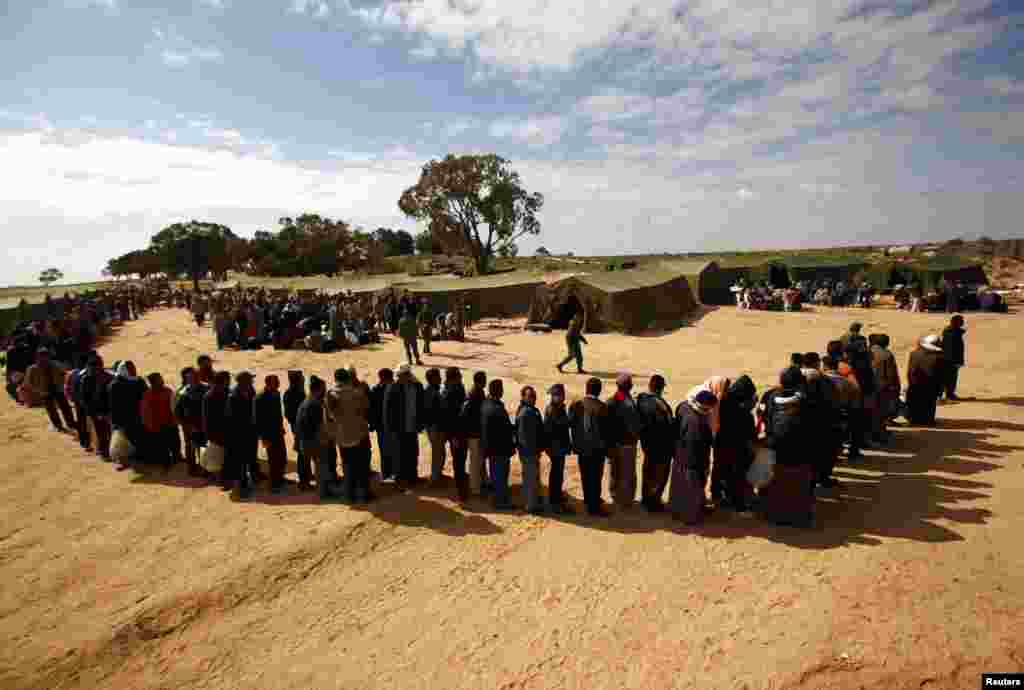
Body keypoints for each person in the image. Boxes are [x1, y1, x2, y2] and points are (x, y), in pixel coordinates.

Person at [759, 367, 814, 527]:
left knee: (778, 484)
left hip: (776, 451)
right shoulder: (806, 400)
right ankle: (798, 518)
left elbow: (764, 418)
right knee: (797, 486)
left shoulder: (771, 396)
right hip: (799, 453)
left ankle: (775, 515)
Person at [669, 389, 718, 525]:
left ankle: (678, 511)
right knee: (691, 489)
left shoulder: (684, 406)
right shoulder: (694, 422)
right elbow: (695, 446)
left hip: (680, 455)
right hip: (691, 460)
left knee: (680, 487)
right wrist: (702, 466)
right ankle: (689, 517)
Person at [327, 368, 374, 502]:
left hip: (342, 437)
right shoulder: (357, 393)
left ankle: (349, 495)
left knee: (347, 466)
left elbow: (329, 418)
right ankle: (364, 494)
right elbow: (366, 409)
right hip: (359, 435)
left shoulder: (330, 394)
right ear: (348, 378)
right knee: (362, 466)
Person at [715, 375, 757, 511]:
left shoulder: (723, 402)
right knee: (737, 476)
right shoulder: (743, 413)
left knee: (724, 473)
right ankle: (737, 502)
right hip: (737, 451)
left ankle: (722, 496)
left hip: (722, 447)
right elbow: (748, 434)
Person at [569, 377, 610, 517]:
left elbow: (572, 425)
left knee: (586, 475)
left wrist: (576, 443)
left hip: (582, 448)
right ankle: (594, 507)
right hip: (597, 449)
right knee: (595, 477)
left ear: (586, 389)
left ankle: (589, 500)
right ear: (599, 391)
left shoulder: (576, 405)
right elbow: (606, 432)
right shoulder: (602, 407)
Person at [296, 376, 343, 500]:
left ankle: (324, 490)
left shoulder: (309, 401)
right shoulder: (313, 404)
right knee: (321, 468)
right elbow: (318, 426)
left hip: (309, 442)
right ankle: (324, 492)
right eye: (323, 388)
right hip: (315, 442)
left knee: (321, 467)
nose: (325, 390)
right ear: (317, 389)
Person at [637, 374, 674, 513]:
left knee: (648, 473)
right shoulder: (661, 406)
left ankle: (646, 499)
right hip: (661, 448)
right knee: (659, 477)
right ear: (660, 388)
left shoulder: (641, 400)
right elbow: (667, 426)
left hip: (647, 446)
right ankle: (653, 503)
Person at [384, 364, 425, 488]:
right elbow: (387, 409)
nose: (399, 377)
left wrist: (420, 423)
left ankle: (412, 477)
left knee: (412, 453)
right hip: (398, 428)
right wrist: (389, 428)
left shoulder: (417, 386)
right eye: (398, 375)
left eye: (401, 375)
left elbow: (421, 406)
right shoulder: (393, 388)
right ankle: (400, 479)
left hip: (412, 427)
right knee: (399, 454)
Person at [606, 373, 642, 509]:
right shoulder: (629, 403)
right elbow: (635, 426)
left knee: (615, 471)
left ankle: (615, 496)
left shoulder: (611, 401)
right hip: (627, 444)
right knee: (628, 473)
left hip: (614, 443)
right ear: (630, 386)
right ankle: (626, 500)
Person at [481, 379, 515, 510]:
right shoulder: (495, 408)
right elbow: (504, 430)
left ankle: (498, 498)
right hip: (499, 448)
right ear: (497, 390)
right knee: (500, 476)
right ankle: (500, 501)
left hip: (492, 448)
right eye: (501, 388)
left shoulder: (487, 404)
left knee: (496, 475)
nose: (502, 390)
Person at [225, 372, 260, 499]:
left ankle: (252, 480)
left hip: (251, 433)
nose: (252, 382)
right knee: (240, 463)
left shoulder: (250, 391)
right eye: (250, 380)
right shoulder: (233, 396)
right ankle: (241, 488)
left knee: (250, 457)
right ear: (243, 381)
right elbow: (232, 419)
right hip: (239, 435)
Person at [109, 361, 148, 468]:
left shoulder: (139, 381)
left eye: (134, 367)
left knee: (141, 438)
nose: (134, 370)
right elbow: (114, 406)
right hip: (125, 419)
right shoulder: (115, 385)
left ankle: (143, 458)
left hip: (140, 416)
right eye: (131, 369)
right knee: (126, 441)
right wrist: (117, 422)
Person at [25, 347, 74, 432]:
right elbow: (29, 382)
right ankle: (58, 425)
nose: (44, 358)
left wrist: (62, 384)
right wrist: (38, 389)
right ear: (37, 357)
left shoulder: (56, 364)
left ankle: (70, 423)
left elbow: (65, 374)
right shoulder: (32, 369)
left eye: (46, 356)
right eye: (42, 356)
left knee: (65, 407)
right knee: (51, 410)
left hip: (57, 389)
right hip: (44, 391)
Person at [255, 374, 288, 494]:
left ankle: (280, 478)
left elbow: (278, 414)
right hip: (268, 434)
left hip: (278, 431)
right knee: (273, 459)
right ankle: (274, 483)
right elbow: (258, 419)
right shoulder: (260, 398)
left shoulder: (276, 394)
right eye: (276, 381)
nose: (279, 383)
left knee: (281, 457)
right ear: (269, 383)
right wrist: (263, 437)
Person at [543, 383, 573, 514]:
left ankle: (556, 497)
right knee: (556, 474)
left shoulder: (557, 407)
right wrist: (571, 417)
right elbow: (562, 424)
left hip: (558, 446)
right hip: (556, 447)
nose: (561, 397)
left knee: (557, 474)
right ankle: (555, 502)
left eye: (561, 395)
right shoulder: (553, 409)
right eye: (558, 395)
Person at [516, 385, 546, 514]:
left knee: (532, 478)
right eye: (530, 396)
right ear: (523, 397)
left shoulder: (529, 410)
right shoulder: (526, 412)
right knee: (530, 479)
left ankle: (533, 503)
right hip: (529, 452)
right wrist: (533, 451)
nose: (533, 398)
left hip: (531, 451)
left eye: (534, 396)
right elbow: (524, 436)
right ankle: (531, 506)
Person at [440, 367, 469, 502]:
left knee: (460, 461)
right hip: (456, 434)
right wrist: (453, 436)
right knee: (459, 462)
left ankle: (461, 486)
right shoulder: (450, 393)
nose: (461, 377)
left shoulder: (453, 389)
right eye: (459, 375)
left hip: (458, 433)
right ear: (454, 377)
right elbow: (450, 418)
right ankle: (461, 491)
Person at [175, 367, 209, 477]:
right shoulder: (183, 393)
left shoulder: (207, 388)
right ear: (187, 380)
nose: (194, 379)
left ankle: (204, 468)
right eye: (192, 378)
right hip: (190, 426)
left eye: (196, 377)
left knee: (203, 447)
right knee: (191, 447)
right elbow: (178, 412)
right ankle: (192, 468)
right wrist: (186, 425)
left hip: (204, 424)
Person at [141, 372, 179, 470]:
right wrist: (150, 425)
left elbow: (174, 406)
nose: (162, 380)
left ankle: (176, 457)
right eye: (159, 379)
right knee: (162, 445)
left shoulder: (168, 391)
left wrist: (175, 420)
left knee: (175, 442)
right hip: (158, 425)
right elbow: (146, 412)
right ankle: (165, 463)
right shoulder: (148, 395)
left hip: (170, 422)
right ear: (153, 382)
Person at [78, 353, 113, 460]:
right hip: (95, 411)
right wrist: (95, 413)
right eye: (93, 369)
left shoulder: (109, 377)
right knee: (100, 432)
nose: (96, 371)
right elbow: (84, 399)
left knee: (109, 431)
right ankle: (104, 453)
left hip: (108, 410)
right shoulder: (86, 380)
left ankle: (110, 451)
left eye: (98, 368)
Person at [906, 335, 946, 427]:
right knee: (929, 404)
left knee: (915, 403)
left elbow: (911, 371)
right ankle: (927, 421)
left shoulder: (914, 353)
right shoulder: (939, 357)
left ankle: (914, 420)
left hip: (915, 383)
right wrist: (940, 389)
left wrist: (911, 383)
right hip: (932, 385)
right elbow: (941, 375)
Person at [283, 370, 313, 490]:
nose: (303, 380)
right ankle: (303, 481)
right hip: (300, 428)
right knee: (303, 453)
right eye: (301, 379)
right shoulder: (294, 394)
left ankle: (307, 475)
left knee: (305, 453)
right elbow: (290, 414)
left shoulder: (294, 392)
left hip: (298, 427)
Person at [461, 371, 488, 496]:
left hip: (476, 432)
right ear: (480, 380)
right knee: (476, 461)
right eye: (484, 379)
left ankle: (481, 483)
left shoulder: (477, 391)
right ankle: (475, 488)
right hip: (474, 433)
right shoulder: (475, 394)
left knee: (479, 460)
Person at [870, 334, 901, 439]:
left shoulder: (868, 351)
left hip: (868, 385)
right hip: (883, 387)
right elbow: (891, 374)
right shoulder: (887, 355)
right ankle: (880, 433)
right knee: (881, 411)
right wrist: (895, 388)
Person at [369, 368, 396, 481]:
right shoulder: (393, 388)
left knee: (385, 450)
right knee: (390, 450)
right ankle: (390, 473)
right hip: (387, 426)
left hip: (385, 426)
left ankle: (387, 473)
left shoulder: (376, 389)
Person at [423, 368, 446, 485]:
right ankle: (434, 478)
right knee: (438, 453)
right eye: (438, 377)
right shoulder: (431, 392)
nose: (441, 379)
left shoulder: (431, 390)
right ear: (432, 379)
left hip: (434, 426)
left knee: (440, 452)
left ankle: (438, 475)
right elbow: (434, 412)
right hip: (434, 427)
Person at [941, 315, 966, 401]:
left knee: (949, 378)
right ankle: (949, 395)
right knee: (951, 378)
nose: (963, 322)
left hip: (948, 358)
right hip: (951, 359)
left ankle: (949, 394)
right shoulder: (954, 333)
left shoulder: (949, 331)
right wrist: (958, 361)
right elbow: (954, 349)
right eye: (961, 321)